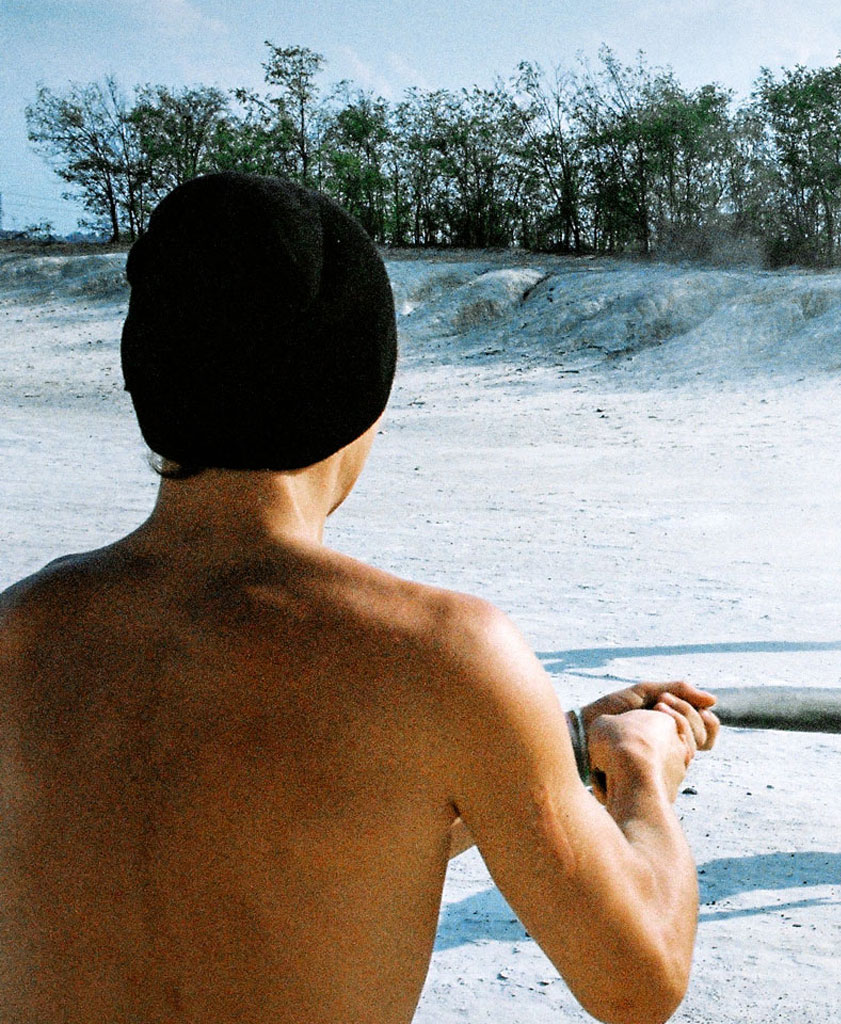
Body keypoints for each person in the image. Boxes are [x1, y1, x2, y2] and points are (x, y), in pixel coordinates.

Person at [0, 172, 718, 1024]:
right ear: (359, 393)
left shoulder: (20, 631)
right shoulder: (443, 655)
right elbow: (637, 983)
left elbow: (280, 840)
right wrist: (639, 775)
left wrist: (545, 750)